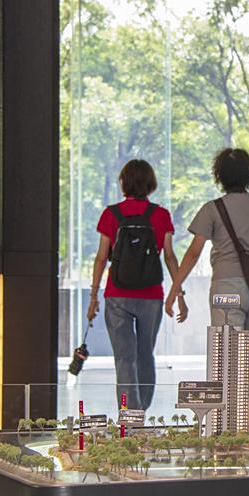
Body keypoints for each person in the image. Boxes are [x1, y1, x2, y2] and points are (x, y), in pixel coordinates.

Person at [165, 148, 249, 348]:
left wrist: (175, 289)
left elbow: (193, 253)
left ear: (219, 176)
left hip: (226, 286)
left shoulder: (212, 209)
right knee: (246, 353)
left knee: (228, 353)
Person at [87, 159, 186, 411]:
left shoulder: (111, 214)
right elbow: (170, 257)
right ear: (150, 183)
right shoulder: (160, 215)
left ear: (124, 183)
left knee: (124, 358)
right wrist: (179, 295)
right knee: (145, 355)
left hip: (117, 295)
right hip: (151, 295)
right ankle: (141, 411)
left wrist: (93, 296)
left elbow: (101, 258)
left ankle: (129, 416)